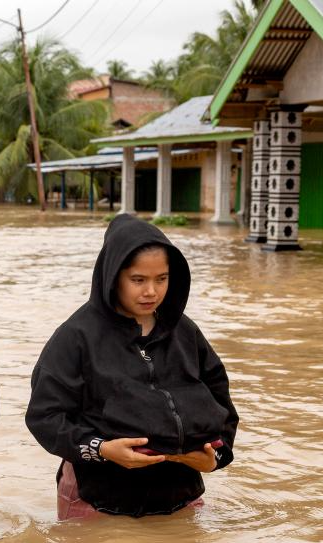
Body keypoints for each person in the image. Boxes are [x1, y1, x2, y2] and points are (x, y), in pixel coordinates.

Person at [25, 214, 238, 519]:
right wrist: (101, 449)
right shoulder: (76, 336)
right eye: (138, 280)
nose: (151, 291)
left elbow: (221, 399)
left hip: (179, 496)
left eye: (161, 279)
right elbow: (44, 416)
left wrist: (215, 458)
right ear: (113, 276)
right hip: (96, 498)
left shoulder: (185, 332)